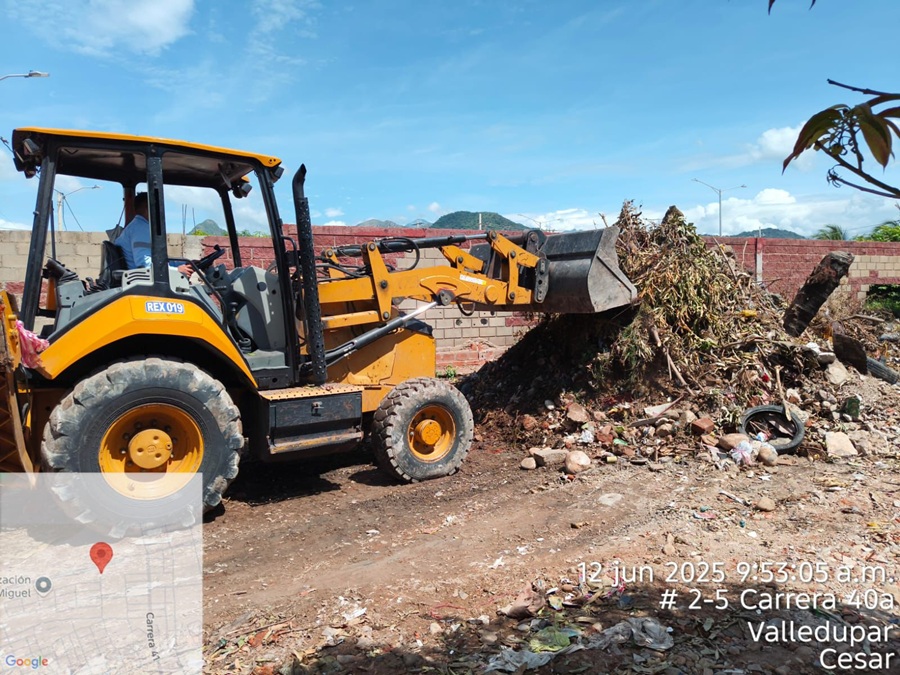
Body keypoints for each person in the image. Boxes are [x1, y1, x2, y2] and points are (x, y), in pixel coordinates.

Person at [114, 192, 152, 269]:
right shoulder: (141, 229)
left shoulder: (136, 226)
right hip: (142, 278)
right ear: (147, 209)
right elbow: (144, 264)